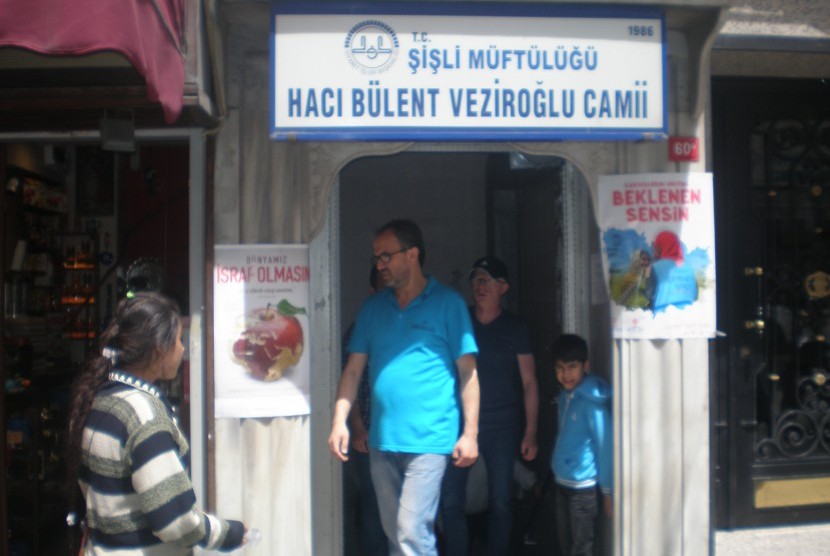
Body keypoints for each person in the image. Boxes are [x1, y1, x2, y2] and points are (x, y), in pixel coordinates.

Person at [328, 219, 480, 556]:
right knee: (395, 535)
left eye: (386, 256)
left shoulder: (448, 304)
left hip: (429, 441)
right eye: (376, 258)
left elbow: (468, 373)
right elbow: (353, 371)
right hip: (383, 443)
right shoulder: (372, 309)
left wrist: (470, 434)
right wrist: (340, 420)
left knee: (411, 533)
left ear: (412, 255)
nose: (379, 265)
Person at [65, 292, 247, 555]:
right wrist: (229, 533)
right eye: (178, 340)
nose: (183, 350)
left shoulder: (100, 399)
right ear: (160, 349)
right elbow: (175, 521)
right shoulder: (143, 415)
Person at [440, 256, 539, 556]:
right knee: (451, 502)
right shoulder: (461, 322)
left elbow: (530, 382)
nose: (480, 285)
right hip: (460, 424)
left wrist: (531, 431)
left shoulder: (515, 327)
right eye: (476, 279)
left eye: (487, 279)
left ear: (503, 287)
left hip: (502, 426)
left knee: (500, 502)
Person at [550, 333, 612, 556]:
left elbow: (605, 448)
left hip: (583, 490)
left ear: (586, 366)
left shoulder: (592, 404)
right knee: (567, 545)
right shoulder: (566, 396)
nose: (565, 374)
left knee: (582, 547)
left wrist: (607, 492)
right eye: (560, 368)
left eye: (572, 367)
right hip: (561, 484)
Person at [342, 266, 388, 556]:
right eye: (384, 286)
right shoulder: (360, 329)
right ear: (372, 293)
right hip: (368, 436)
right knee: (373, 502)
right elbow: (350, 379)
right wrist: (357, 427)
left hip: (405, 437)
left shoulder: (412, 328)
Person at [648, 230, 699, 312]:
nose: (654, 252)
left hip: (661, 317)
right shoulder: (689, 269)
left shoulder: (656, 268)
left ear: (663, 247)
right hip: (687, 317)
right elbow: (695, 296)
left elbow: (649, 293)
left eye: (657, 247)